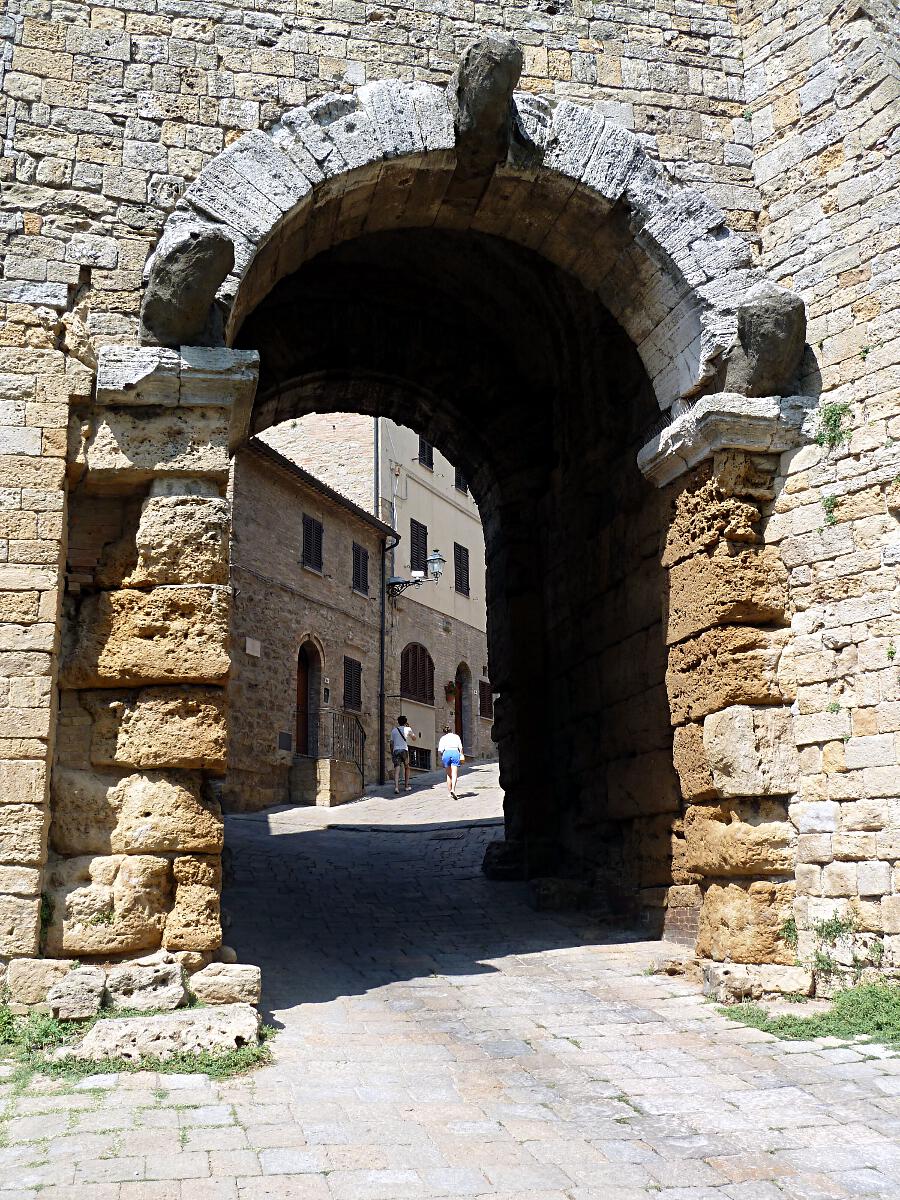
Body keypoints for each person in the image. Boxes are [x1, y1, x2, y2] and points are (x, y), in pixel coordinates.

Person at [389, 715, 416, 794]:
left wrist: (392, 752)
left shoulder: (394, 730)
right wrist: (409, 728)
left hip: (396, 750)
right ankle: (406, 786)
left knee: (397, 769)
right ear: (405, 722)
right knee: (407, 767)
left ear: (398, 722)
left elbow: (391, 743)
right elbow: (414, 738)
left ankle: (396, 787)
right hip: (404, 750)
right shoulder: (408, 729)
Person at [438, 724, 464, 800]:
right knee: (454, 773)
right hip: (455, 752)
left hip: (446, 753)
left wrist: (441, 757)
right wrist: (461, 754)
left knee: (449, 775)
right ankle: (453, 789)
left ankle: (450, 792)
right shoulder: (456, 736)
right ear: (451, 731)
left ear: (444, 732)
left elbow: (440, 750)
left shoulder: (443, 738)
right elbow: (460, 747)